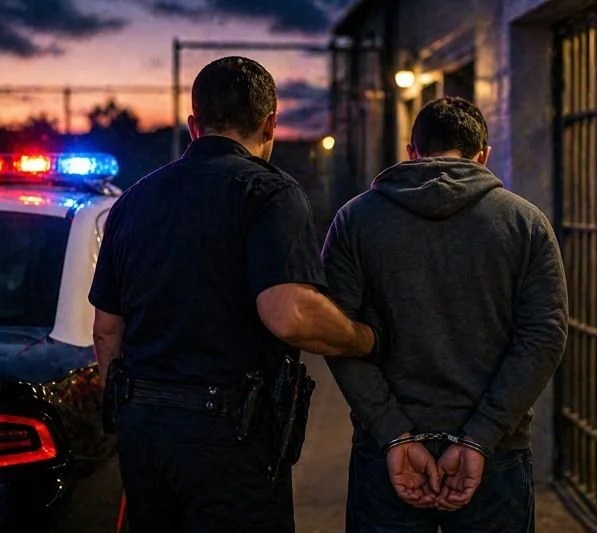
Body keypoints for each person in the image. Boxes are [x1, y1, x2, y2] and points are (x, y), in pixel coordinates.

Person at [89, 56, 377, 533]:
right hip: (230, 437)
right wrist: (363, 338)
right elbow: (288, 314)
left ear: (193, 125)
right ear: (270, 123)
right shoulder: (269, 193)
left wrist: (139, 411)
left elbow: (106, 332)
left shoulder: (132, 200)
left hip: (143, 431)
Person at [322, 96, 569, 532]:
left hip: (387, 449)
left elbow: (335, 333)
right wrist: (481, 435)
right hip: (495, 451)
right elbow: (544, 337)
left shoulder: (355, 220)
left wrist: (392, 430)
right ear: (484, 156)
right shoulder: (525, 223)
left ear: (411, 151)